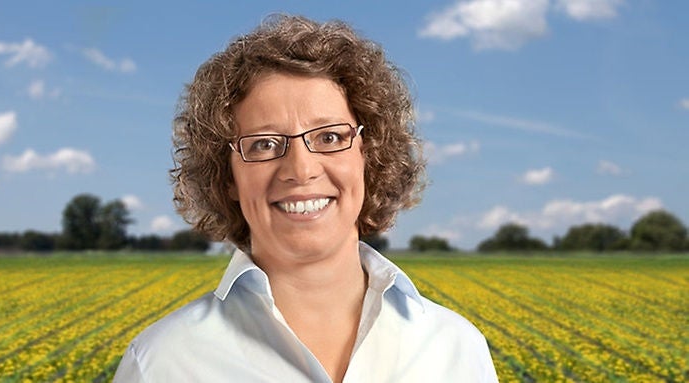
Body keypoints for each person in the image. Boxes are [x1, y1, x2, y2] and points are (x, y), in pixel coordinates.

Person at [114, 14, 498, 383]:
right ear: (227, 175)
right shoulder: (160, 365)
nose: (301, 169)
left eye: (329, 137)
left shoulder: (457, 349)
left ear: (369, 153)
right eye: (264, 144)